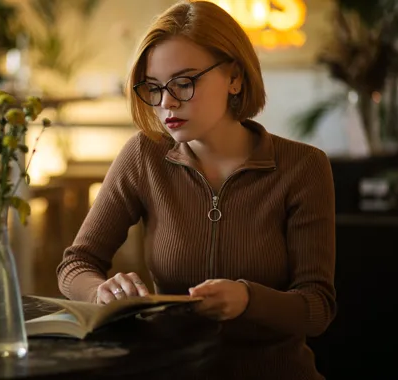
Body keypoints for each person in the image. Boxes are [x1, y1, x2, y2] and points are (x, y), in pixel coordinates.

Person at [57, 0, 336, 378]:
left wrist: (248, 300)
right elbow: (76, 263)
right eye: (154, 88)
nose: (167, 102)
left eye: (184, 82)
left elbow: (317, 308)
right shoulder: (145, 156)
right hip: (174, 370)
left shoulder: (303, 168)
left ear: (234, 78)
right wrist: (102, 292)